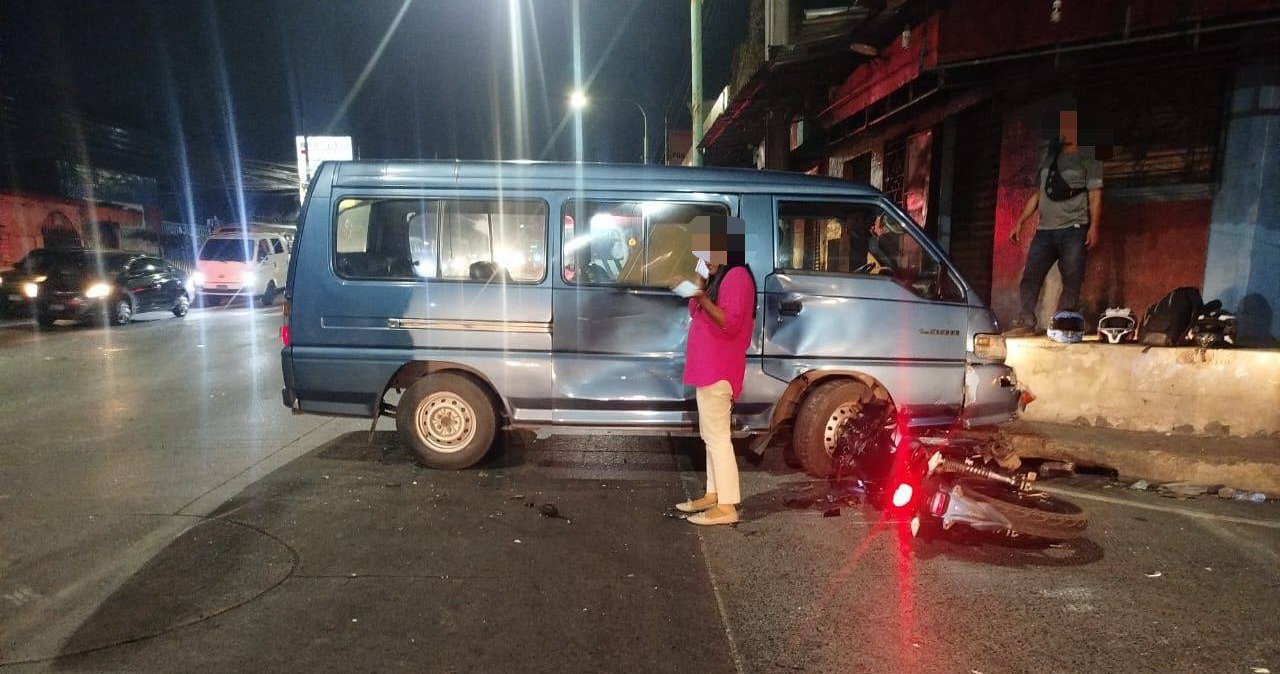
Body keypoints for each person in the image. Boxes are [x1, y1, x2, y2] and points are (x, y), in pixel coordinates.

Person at [674, 217, 756, 526]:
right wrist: (701, 278)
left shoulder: (737, 277)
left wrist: (702, 297)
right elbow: (694, 310)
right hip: (708, 367)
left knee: (718, 438)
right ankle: (713, 495)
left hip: (719, 368)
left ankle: (727, 506)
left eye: (708, 250)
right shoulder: (721, 276)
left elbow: (730, 322)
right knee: (710, 436)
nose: (704, 257)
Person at [1006, 109, 1103, 336]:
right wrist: (1020, 221)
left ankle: (1061, 322)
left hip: (1074, 229)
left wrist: (1094, 227)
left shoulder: (1089, 159)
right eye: (1064, 128)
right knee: (1031, 276)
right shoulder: (1050, 158)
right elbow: (1038, 194)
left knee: (1072, 278)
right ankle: (1026, 321)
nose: (1065, 133)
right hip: (1045, 230)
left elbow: (1095, 195)